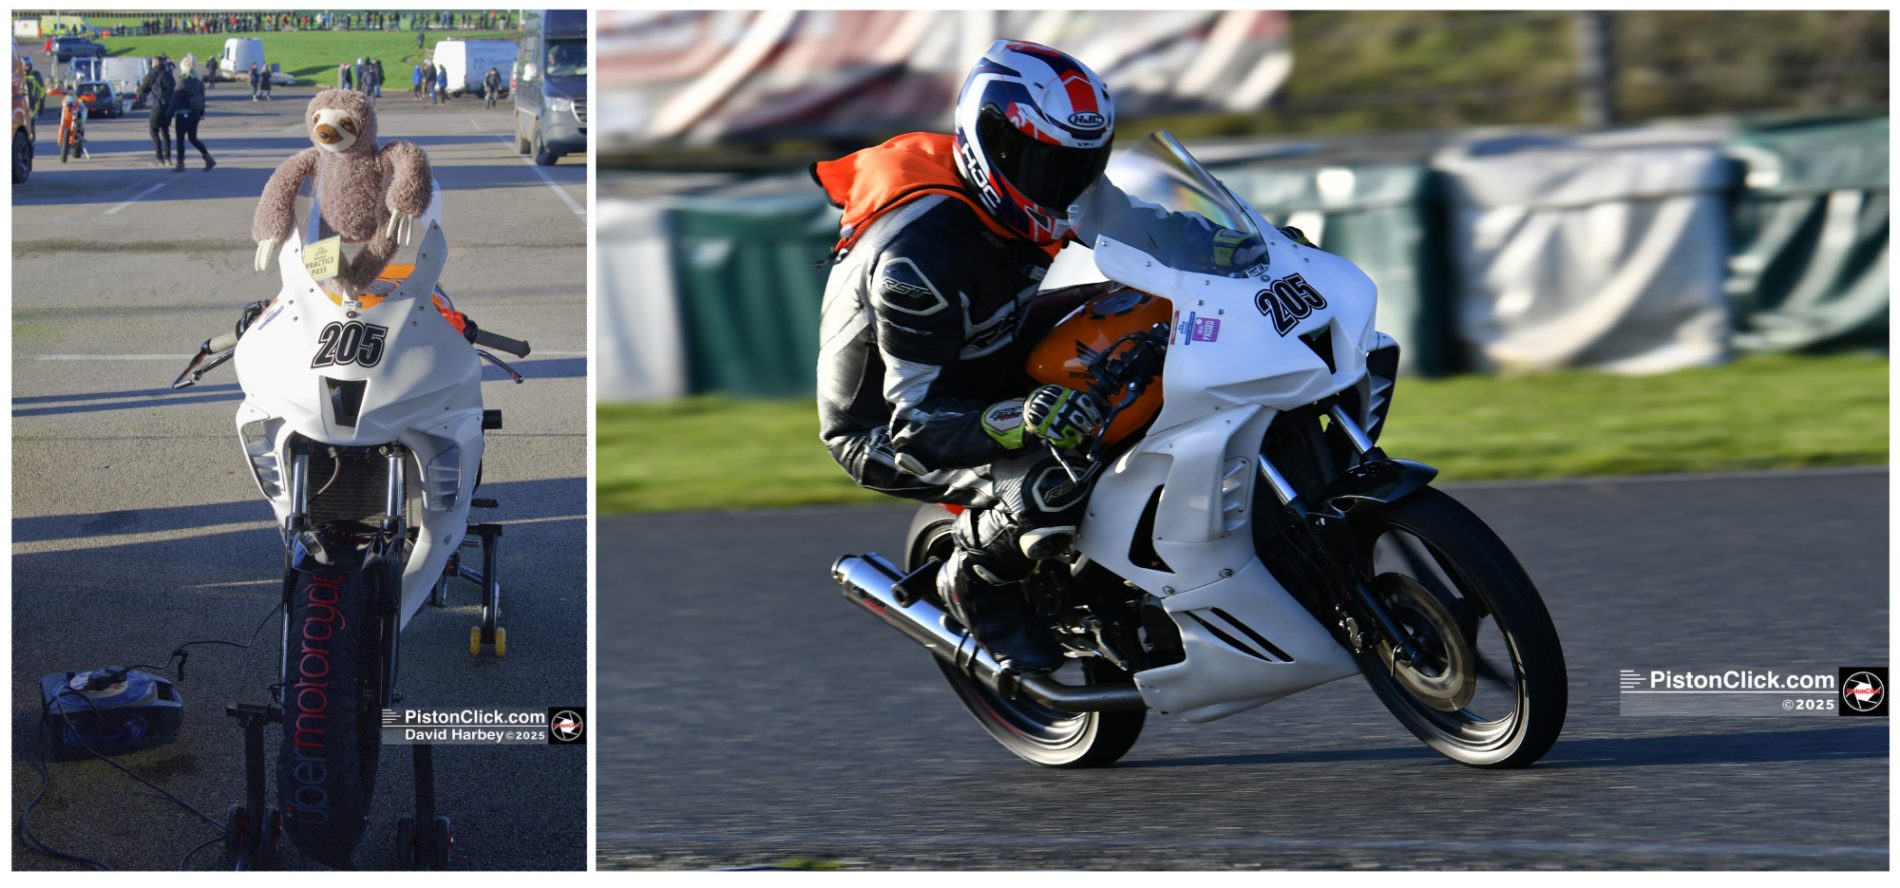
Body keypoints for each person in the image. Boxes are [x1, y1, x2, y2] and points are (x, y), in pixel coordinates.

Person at [811, 40, 1122, 672]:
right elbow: (917, 426)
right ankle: (974, 579)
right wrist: (1024, 419)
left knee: (1138, 324)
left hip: (989, 352)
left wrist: (1245, 247)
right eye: (1044, 167)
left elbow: (1151, 226)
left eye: (1077, 168)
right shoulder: (914, 262)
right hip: (892, 427)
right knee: (1050, 479)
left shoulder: (1055, 187)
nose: (1062, 189)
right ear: (991, 145)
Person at [171, 57, 215, 171]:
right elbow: (202, 100)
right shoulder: (198, 82)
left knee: (180, 139)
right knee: (193, 138)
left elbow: (175, 101)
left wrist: (168, 114)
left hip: (182, 114)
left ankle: (180, 163)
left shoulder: (181, 82)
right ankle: (207, 157)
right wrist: (200, 114)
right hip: (195, 114)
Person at [136, 54, 177, 166]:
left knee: (154, 130)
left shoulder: (152, 74)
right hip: (168, 106)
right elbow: (173, 87)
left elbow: (143, 89)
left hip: (157, 105)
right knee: (165, 131)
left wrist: (138, 90)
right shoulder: (168, 74)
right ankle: (168, 158)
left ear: (155, 63)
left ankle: (159, 158)